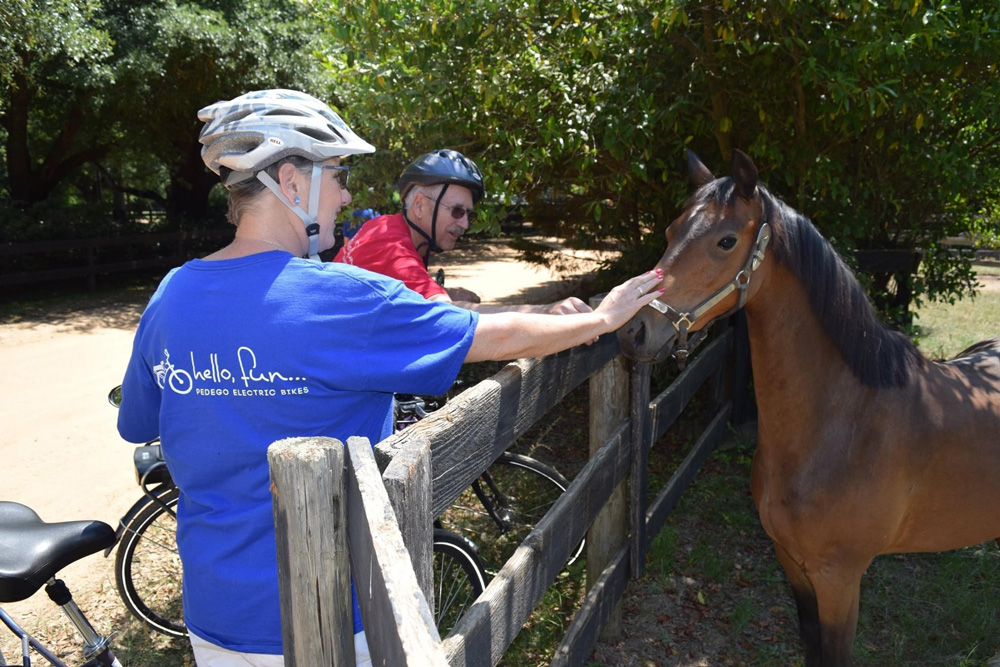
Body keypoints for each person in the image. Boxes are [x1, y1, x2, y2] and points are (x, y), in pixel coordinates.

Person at [115, 88, 664, 667]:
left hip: (215, 619)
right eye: (339, 174)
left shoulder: (171, 294)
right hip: (342, 612)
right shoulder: (342, 298)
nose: (347, 194)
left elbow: (140, 424)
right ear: (291, 182)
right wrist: (603, 319)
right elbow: (488, 337)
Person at [335, 149, 589, 314]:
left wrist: (445, 290)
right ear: (420, 205)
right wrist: (545, 311)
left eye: (469, 214)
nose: (465, 224)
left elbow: (399, 291)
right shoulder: (392, 247)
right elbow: (447, 315)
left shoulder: (385, 227)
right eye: (457, 210)